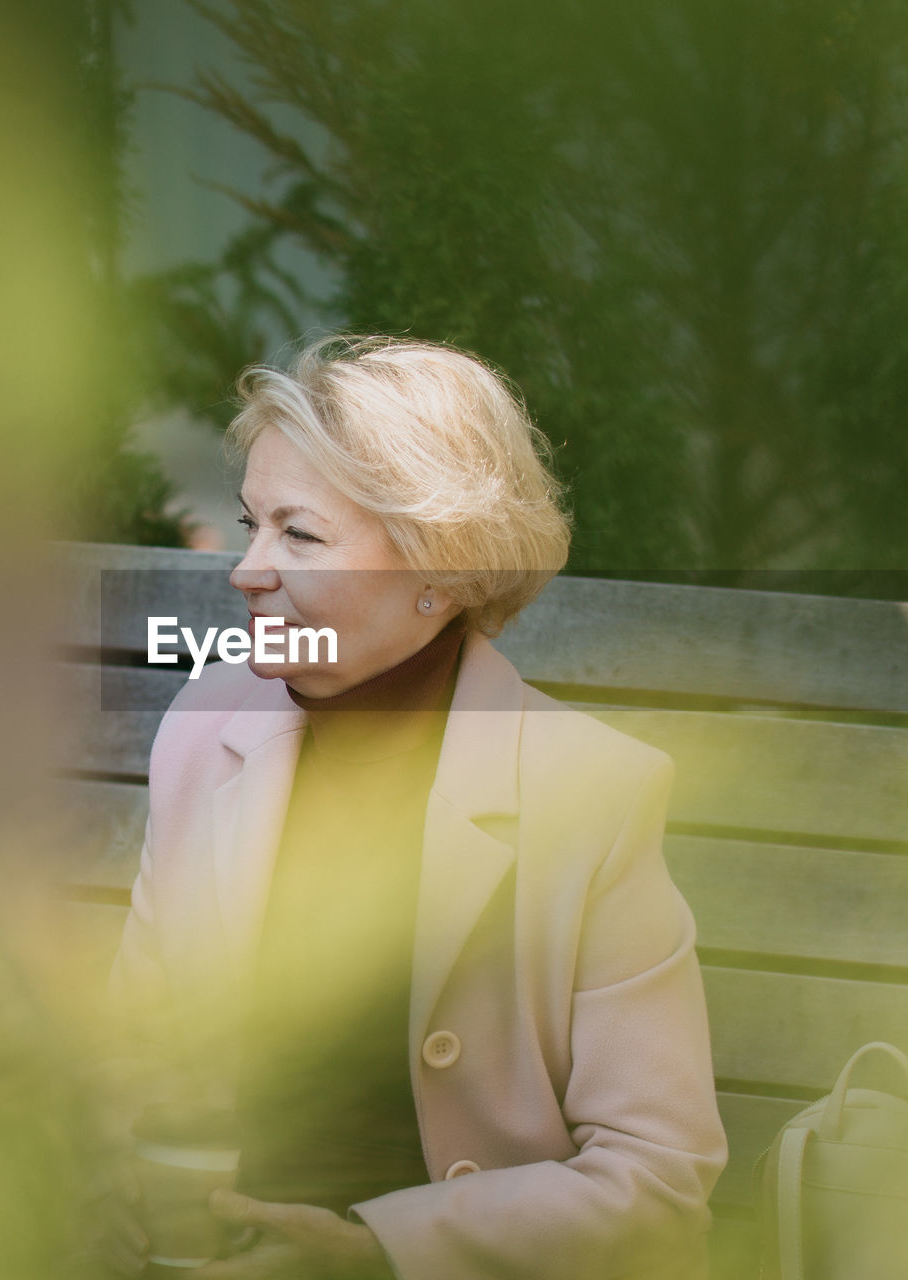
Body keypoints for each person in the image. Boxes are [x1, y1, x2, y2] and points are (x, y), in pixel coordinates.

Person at [102, 335, 727, 1280]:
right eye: (249, 525)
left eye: (299, 534)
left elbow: (660, 1178)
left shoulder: (595, 793)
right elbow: (126, 1067)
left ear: (440, 573)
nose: (246, 571)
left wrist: (373, 1256)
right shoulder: (206, 726)